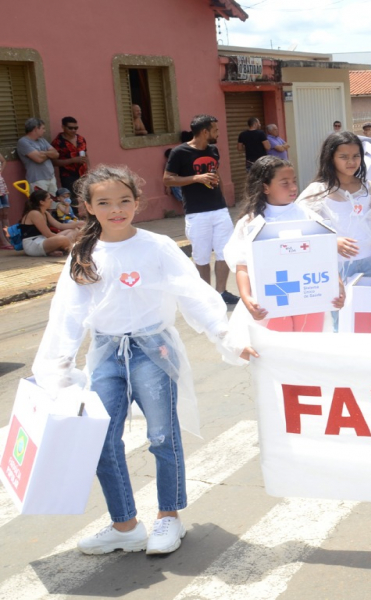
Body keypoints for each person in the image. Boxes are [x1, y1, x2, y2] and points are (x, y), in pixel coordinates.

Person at [31, 164, 242, 556]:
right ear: (89, 207)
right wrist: (59, 363)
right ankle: (124, 524)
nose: (116, 209)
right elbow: (68, 311)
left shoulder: (156, 246)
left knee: (163, 436)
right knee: (101, 440)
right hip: (106, 353)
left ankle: (169, 517)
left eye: (124, 200)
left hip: (153, 350)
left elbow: (192, 292)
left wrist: (226, 333)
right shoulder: (84, 251)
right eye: (105, 202)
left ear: (137, 202)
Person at [224, 155, 345, 343]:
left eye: (294, 181)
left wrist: (337, 285)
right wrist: (247, 299)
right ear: (265, 187)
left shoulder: (307, 216)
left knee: (308, 350)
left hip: (309, 300)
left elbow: (325, 256)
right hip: (271, 302)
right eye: (284, 183)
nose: (294, 187)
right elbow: (242, 266)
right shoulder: (251, 223)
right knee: (276, 352)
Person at [296, 131, 371, 308]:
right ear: (330, 158)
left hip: (370, 264)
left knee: (370, 318)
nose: (351, 162)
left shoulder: (369, 187)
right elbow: (301, 228)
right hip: (334, 268)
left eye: (356, 156)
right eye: (343, 157)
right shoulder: (318, 190)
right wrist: (332, 241)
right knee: (339, 320)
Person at [164, 114, 239, 305]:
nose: (218, 133)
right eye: (215, 129)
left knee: (225, 252)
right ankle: (207, 296)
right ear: (205, 131)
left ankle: (221, 292)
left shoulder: (213, 150)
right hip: (196, 212)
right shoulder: (179, 152)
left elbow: (217, 173)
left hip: (219, 210)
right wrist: (196, 178)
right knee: (202, 256)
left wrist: (223, 199)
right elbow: (167, 179)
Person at [17, 189, 78, 256]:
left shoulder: (45, 213)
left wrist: (77, 225)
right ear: (42, 202)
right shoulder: (34, 213)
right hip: (33, 244)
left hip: (43, 239)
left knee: (73, 231)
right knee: (63, 239)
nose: (51, 200)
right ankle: (66, 248)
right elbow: (48, 234)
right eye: (49, 199)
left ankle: (57, 249)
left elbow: (60, 226)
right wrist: (65, 238)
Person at [51, 116, 89, 215]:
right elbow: (54, 162)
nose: (73, 130)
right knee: (71, 198)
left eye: (76, 128)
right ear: (63, 127)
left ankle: (89, 218)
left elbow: (86, 154)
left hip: (83, 172)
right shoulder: (58, 142)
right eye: (70, 128)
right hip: (68, 175)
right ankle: (74, 218)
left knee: (86, 195)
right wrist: (72, 160)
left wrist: (88, 169)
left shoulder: (81, 139)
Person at [17, 118, 59, 194]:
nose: (44, 131)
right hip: (37, 180)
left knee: (54, 204)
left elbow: (56, 154)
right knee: (40, 204)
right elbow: (38, 159)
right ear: (36, 129)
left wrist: (44, 153)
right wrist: (49, 154)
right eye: (43, 128)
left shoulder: (42, 140)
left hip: (51, 178)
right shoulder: (23, 142)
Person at [0, 153, 12, 250]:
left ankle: (9, 238)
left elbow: (3, 160)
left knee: (5, 213)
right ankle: (3, 241)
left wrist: (1, 171)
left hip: (2, 186)